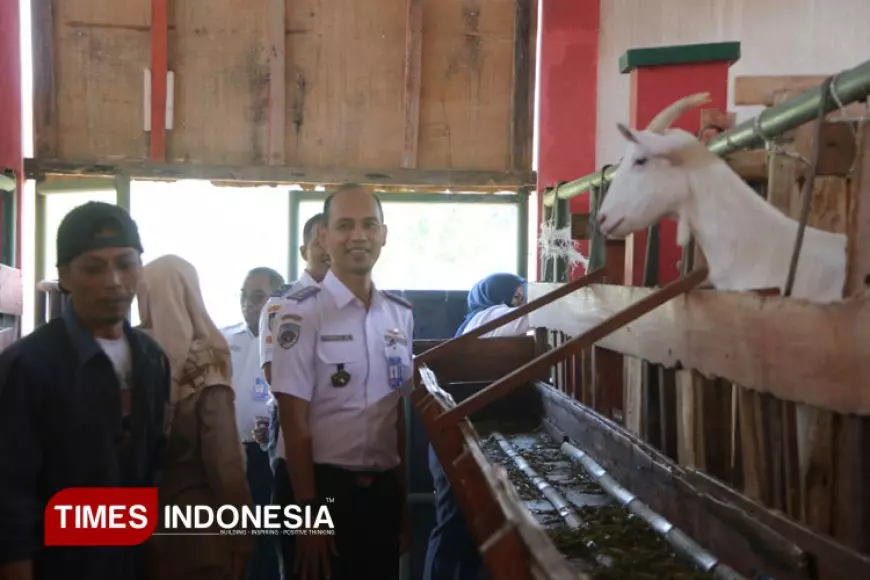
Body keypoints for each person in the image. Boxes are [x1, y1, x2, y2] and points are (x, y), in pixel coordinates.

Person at [0, 202, 170, 580]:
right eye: (93, 268)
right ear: (65, 276)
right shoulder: (29, 365)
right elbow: (10, 494)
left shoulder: (151, 358)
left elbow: (153, 469)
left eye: (125, 264)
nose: (113, 281)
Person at [271, 184, 414, 580]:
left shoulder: (399, 316)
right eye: (345, 225)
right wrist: (308, 514)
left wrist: (401, 502)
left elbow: (396, 416)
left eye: (369, 225)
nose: (358, 236)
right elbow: (293, 421)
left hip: (380, 492)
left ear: (383, 234)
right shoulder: (300, 314)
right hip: (318, 488)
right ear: (324, 236)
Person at [137, 254, 253, 580]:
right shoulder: (204, 367)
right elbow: (225, 463)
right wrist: (241, 534)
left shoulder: (127, 355)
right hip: (196, 535)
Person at [424, 273, 528, 580]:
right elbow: (542, 313)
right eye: (516, 294)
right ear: (498, 295)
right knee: (457, 527)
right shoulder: (492, 316)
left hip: (454, 429)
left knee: (457, 525)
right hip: (461, 430)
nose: (519, 301)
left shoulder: (476, 319)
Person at [257, 213, 331, 580]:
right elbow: (277, 377)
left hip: (345, 439)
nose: (327, 249)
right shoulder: (282, 303)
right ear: (304, 251)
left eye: (332, 240)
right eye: (318, 242)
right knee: (302, 554)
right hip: (294, 428)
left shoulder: (361, 301)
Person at [220, 267, 285, 580]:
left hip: (267, 459)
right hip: (226, 458)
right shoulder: (222, 339)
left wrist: (275, 428)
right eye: (244, 296)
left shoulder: (290, 343)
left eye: (257, 297)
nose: (248, 303)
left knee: (264, 545)